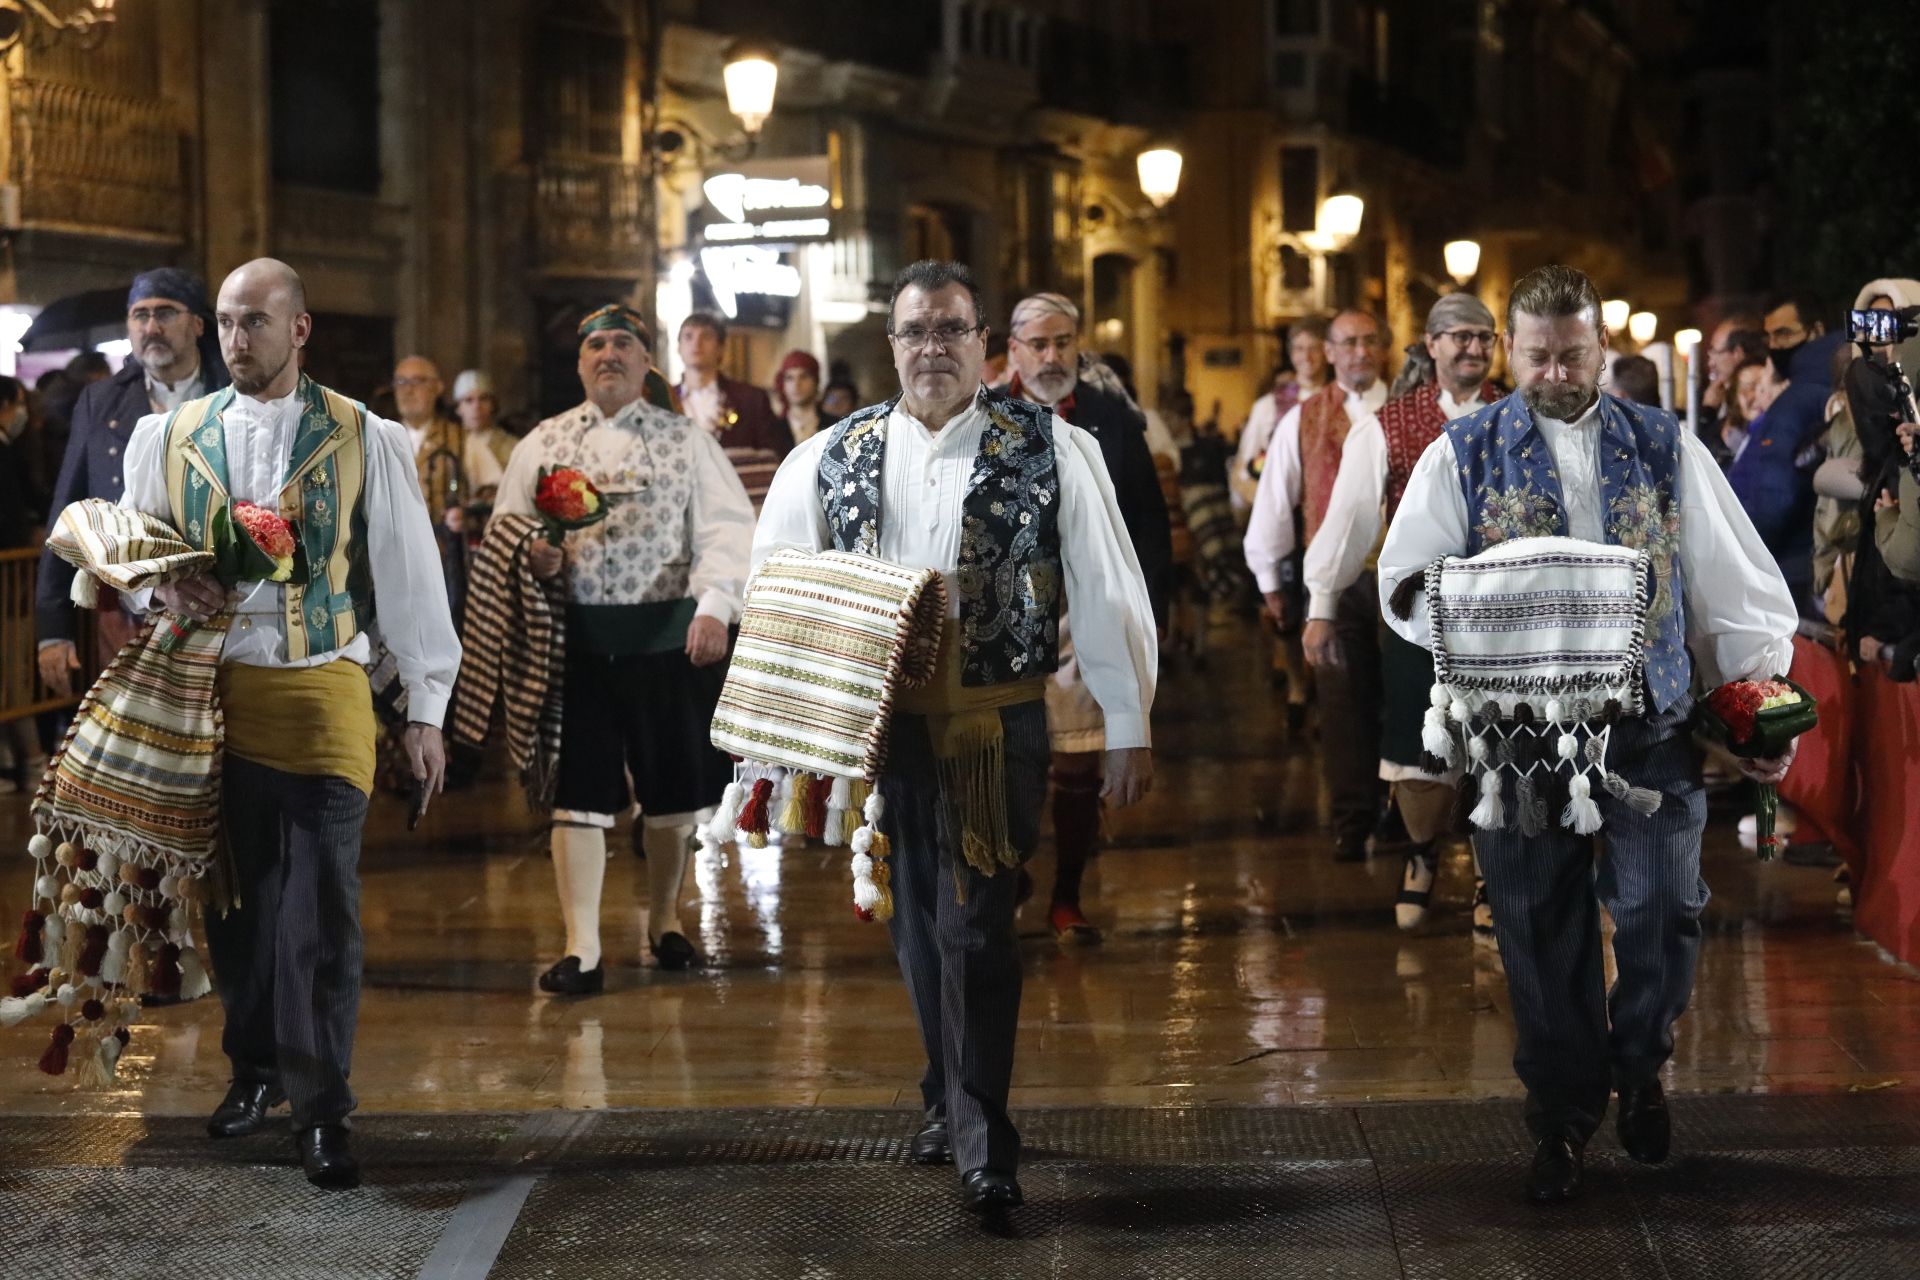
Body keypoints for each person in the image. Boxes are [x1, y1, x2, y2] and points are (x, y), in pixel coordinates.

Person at [1379, 264, 1796, 1205]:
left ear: (1602, 349)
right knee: (1535, 929)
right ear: (1511, 352)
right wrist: (1481, 607)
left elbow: (1730, 584)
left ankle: (1641, 1063)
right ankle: (1563, 1117)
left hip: (1648, 725)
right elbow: (1405, 582)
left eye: (1573, 353)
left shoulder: (1661, 443)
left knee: (1664, 909)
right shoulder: (1465, 449)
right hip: (1517, 738)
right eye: (1537, 355)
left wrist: (1759, 703)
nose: (1556, 371)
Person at [754, 260, 1156, 1217]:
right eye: (915, 333)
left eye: (951, 330)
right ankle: (946, 1092)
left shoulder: (1053, 447)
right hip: (882, 729)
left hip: (995, 721)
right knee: (913, 923)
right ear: (891, 345)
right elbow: (779, 586)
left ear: (985, 343)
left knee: (977, 921)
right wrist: (785, 728)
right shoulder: (829, 453)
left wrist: (1127, 720)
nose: (932, 348)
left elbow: (1105, 585)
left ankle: (982, 1138)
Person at [117, 259, 458, 1188]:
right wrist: (162, 582)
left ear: (299, 330)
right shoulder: (168, 435)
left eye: (255, 322)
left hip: (323, 686)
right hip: (212, 698)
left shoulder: (362, 434)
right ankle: (255, 1071)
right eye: (226, 322)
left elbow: (409, 575)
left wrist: (424, 708)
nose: (235, 339)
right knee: (238, 906)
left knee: (320, 914)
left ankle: (322, 1108)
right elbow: (132, 555)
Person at [490, 303, 754, 990]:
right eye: (596, 345)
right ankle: (583, 948)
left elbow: (727, 530)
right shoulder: (542, 443)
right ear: (580, 363)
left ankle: (664, 919)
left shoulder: (687, 440)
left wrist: (717, 607)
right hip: (574, 650)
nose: (609, 354)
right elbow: (506, 529)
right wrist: (534, 554)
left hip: (668, 641)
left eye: (624, 345)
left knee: (671, 798)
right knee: (577, 796)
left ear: (646, 361)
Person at [1302, 293, 1503, 934]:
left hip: (1504, 614)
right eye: (1459, 337)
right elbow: (1350, 520)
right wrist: (1322, 604)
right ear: (1431, 345)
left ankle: (1488, 870)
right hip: (1421, 613)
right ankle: (1420, 855)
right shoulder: (1387, 425)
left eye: (1483, 337)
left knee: (1495, 744)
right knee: (1423, 748)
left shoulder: (1518, 417)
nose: (1472, 349)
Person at [1003, 291, 1172, 943]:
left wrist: (1150, 613)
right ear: (1013, 350)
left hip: (1089, 610)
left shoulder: (1111, 418)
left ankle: (1067, 895)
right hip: (1010, 617)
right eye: (1038, 344)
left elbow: (1147, 521)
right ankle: (1012, 867)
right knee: (1013, 757)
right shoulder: (986, 417)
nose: (1051, 356)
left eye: (1063, 342)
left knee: (1077, 761)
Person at [36, 268, 231, 694]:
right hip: (127, 613)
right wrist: (53, 629)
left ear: (198, 324)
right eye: (139, 315)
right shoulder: (101, 399)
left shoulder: (233, 393)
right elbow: (67, 507)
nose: (151, 327)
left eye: (166, 313)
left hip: (222, 607)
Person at [1244, 308, 1391, 860]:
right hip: (1334, 580)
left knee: (1403, 700)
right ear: (1329, 352)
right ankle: (1353, 817)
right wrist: (1270, 577)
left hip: (1404, 577)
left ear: (1382, 349)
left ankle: (1403, 811)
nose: (1359, 352)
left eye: (1369, 342)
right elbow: (1276, 500)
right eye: (1348, 343)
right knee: (1343, 701)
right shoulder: (1302, 419)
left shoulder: (1407, 410)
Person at [1728, 293, 1846, 613]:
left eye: (1784, 334)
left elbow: (1773, 496)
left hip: (1791, 570)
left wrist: (1740, 559)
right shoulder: (1845, 379)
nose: (1774, 345)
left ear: (1816, 330)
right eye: (1768, 336)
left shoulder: (1795, 401)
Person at [675, 311, 791, 506]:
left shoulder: (751, 399)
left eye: (706, 336)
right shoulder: (660, 400)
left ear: (721, 348)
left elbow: (773, 460)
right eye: (688, 336)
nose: (696, 343)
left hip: (737, 509)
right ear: (678, 347)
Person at [451, 369, 516, 513]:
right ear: (458, 408)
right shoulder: (450, 444)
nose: (476, 407)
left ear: (493, 404)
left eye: (483, 399)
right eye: (468, 400)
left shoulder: (512, 446)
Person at [774, 349, 838, 445]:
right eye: (789, 378)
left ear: (816, 381)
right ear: (783, 384)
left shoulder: (835, 426)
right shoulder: (772, 429)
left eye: (804, 376)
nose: (796, 384)